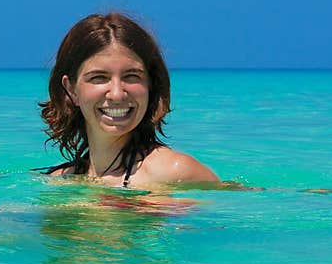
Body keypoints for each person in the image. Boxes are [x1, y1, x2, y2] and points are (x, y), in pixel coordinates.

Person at [37, 11, 222, 191]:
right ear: (71, 89)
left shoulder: (175, 172)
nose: (117, 94)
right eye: (99, 78)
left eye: (132, 76)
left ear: (151, 84)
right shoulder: (59, 180)